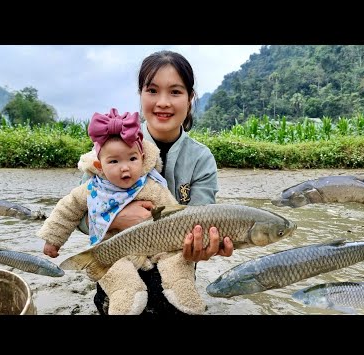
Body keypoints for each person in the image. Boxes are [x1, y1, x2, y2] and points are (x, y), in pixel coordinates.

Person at [80, 50, 234, 316]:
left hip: (176, 265)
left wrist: (207, 244)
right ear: (140, 94)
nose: (163, 102)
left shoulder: (201, 158)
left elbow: (204, 220)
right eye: (152, 90)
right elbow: (79, 214)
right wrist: (116, 219)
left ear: (190, 98)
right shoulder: (111, 146)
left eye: (175, 92)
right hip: (120, 261)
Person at [37, 107, 207, 315]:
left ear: (142, 158)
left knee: (175, 260)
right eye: (114, 161)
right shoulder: (92, 188)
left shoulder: (152, 185)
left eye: (132, 159)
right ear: (100, 165)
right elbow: (67, 211)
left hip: (157, 246)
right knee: (115, 274)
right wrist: (53, 239)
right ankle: (124, 299)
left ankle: (182, 289)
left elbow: (175, 213)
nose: (125, 168)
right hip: (113, 250)